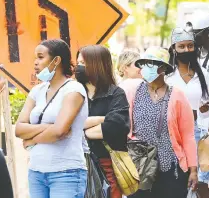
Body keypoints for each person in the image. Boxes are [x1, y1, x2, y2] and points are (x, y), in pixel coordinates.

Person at [15, 39, 89, 198]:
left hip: (66, 173)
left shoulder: (74, 90)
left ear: (56, 60)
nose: (35, 63)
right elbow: (19, 128)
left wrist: (32, 140)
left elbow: (59, 131)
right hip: (36, 171)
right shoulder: (37, 91)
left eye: (40, 57)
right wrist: (49, 127)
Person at [122, 47, 198, 197]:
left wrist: (193, 170)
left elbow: (188, 135)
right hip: (141, 166)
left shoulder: (177, 96)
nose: (146, 68)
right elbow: (125, 127)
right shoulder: (133, 91)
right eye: (145, 63)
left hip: (170, 166)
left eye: (152, 63)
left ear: (163, 67)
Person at [76, 45, 130, 198]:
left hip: (107, 164)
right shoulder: (73, 93)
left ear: (97, 65)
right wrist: (104, 118)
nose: (79, 67)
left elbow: (115, 127)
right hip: (76, 165)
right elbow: (63, 124)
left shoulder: (115, 94)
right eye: (78, 63)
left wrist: (80, 129)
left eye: (83, 63)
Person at [165, 26, 209, 196]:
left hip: (197, 135)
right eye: (182, 46)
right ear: (174, 49)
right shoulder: (166, 76)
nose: (187, 50)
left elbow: (207, 112)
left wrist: (204, 112)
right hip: (171, 135)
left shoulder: (203, 75)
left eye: (190, 46)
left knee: (197, 182)